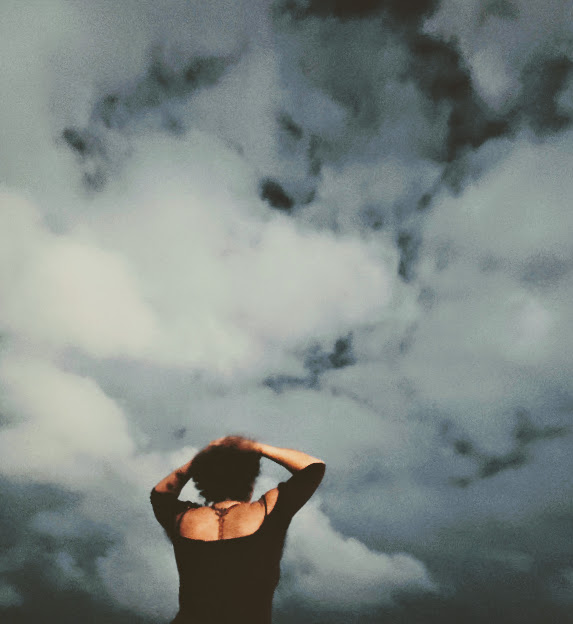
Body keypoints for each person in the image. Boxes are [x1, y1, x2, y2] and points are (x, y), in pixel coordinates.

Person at [150, 435, 326, 624]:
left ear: (204, 480)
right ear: (250, 479)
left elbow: (160, 495)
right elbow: (313, 468)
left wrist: (201, 459)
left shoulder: (182, 519)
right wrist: (255, 447)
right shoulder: (268, 511)